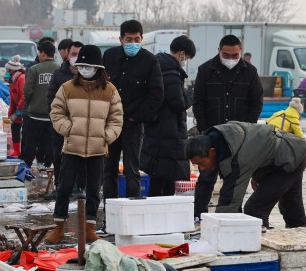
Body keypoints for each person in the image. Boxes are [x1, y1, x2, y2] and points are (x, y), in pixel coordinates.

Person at [47, 45, 123, 244]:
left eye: (89, 65)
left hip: (98, 149)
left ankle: (90, 227)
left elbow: (117, 118)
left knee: (93, 190)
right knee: (63, 187)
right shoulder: (67, 88)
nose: (85, 69)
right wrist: (68, 130)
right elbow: (56, 112)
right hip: (72, 147)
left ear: (98, 67)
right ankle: (59, 227)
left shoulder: (110, 90)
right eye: (82, 65)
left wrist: (106, 136)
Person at [191, 34, 264, 219]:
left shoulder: (250, 72)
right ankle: (197, 216)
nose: (231, 59)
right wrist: (205, 132)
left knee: (234, 181)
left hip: (238, 139)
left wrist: (247, 130)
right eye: (226, 55)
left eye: (235, 55)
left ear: (240, 52)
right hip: (211, 136)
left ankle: (232, 216)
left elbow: (256, 103)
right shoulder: (206, 70)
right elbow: (198, 103)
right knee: (206, 178)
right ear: (219, 51)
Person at [185, 122, 306, 228]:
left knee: (255, 210)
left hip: (289, 157)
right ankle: (304, 241)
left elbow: (230, 201)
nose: (201, 168)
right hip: (290, 151)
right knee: (292, 205)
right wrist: (257, 174)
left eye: (200, 163)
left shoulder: (235, 159)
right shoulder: (219, 140)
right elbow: (255, 147)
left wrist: (217, 229)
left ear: (212, 152)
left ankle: (258, 245)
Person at [102, 19, 163, 200]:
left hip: (133, 124)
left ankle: (132, 211)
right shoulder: (109, 57)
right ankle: (109, 212)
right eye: (129, 39)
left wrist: (135, 118)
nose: (133, 43)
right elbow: (99, 86)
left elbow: (156, 95)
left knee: (132, 170)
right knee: (109, 171)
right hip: (109, 123)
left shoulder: (150, 61)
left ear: (142, 38)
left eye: (137, 39)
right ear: (121, 39)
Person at [140, 35, 196, 197]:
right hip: (168, 132)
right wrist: (192, 94)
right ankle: (162, 217)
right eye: (187, 57)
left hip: (157, 130)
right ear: (181, 54)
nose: (185, 61)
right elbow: (178, 103)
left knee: (159, 177)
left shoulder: (158, 66)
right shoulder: (171, 72)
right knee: (165, 179)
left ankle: (158, 215)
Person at [46, 41, 84, 198]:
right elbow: (51, 98)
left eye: (79, 55)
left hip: (83, 125)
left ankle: (82, 188)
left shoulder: (89, 75)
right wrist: (57, 119)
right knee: (59, 156)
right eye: (73, 54)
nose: (76, 58)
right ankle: (60, 189)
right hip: (61, 125)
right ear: (68, 56)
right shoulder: (59, 74)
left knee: (83, 157)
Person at [21, 41, 58, 167]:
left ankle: (27, 166)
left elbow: (27, 90)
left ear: (42, 53)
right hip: (52, 115)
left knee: (31, 142)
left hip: (35, 114)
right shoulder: (59, 69)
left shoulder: (34, 69)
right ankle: (48, 167)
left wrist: (30, 103)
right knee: (50, 142)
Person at [5, 55, 26, 157]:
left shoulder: (21, 78)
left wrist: (19, 109)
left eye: (7, 70)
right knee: (15, 127)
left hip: (25, 108)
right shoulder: (12, 81)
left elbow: (24, 94)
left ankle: (30, 151)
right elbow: (13, 99)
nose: (6, 72)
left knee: (27, 130)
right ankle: (16, 150)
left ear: (12, 70)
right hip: (18, 108)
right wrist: (10, 113)